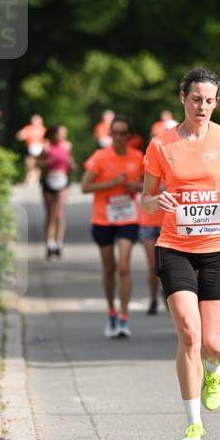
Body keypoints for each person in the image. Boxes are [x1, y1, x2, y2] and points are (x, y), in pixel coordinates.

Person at [141, 68, 220, 440]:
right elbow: (146, 197)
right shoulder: (161, 144)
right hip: (175, 246)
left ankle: (214, 369)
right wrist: (157, 202)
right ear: (182, 98)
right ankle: (193, 427)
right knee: (188, 333)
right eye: (195, 99)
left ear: (216, 102)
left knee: (214, 342)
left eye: (208, 100)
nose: (201, 106)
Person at [82, 114, 143, 338]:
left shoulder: (138, 157)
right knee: (109, 268)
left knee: (124, 267)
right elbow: (85, 187)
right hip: (103, 218)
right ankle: (111, 312)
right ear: (109, 134)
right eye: (114, 132)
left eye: (122, 133)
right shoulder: (100, 157)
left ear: (129, 136)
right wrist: (112, 183)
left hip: (128, 217)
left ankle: (124, 317)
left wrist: (135, 186)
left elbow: (148, 186)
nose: (117, 137)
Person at [39, 125, 76, 260]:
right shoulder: (46, 146)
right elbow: (37, 163)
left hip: (63, 181)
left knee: (59, 213)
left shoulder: (67, 146)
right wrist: (46, 162)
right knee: (50, 214)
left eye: (64, 133)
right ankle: (49, 244)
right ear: (53, 134)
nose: (63, 135)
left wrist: (71, 165)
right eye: (61, 133)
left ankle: (59, 243)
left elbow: (71, 161)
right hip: (49, 181)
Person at [138, 188, 164, 315]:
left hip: (169, 223)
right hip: (148, 223)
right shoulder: (146, 168)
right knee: (154, 266)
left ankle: (168, 291)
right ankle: (153, 299)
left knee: (170, 265)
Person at [16, 114, 46, 185]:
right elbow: (20, 136)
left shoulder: (43, 129)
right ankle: (29, 178)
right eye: (33, 120)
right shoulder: (28, 128)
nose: (34, 122)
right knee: (29, 163)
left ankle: (35, 180)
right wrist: (22, 135)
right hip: (31, 148)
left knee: (37, 165)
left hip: (40, 148)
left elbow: (46, 140)